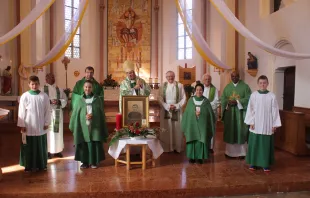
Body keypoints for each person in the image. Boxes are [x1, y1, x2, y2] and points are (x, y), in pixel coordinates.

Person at [244, 75, 281, 172]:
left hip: (267, 123)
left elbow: (275, 111)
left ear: (267, 84)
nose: (262, 85)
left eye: (264, 83)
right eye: (260, 83)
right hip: (256, 123)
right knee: (254, 143)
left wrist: (274, 124)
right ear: (258, 84)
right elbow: (250, 109)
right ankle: (253, 163)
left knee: (265, 144)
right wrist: (250, 121)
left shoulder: (272, 96)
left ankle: (265, 163)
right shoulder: (254, 95)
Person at [69, 80, 108, 169]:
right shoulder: (79, 100)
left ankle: (94, 161)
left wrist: (93, 116)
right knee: (83, 141)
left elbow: (100, 113)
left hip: (95, 125)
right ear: (83, 88)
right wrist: (84, 116)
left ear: (92, 88)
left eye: (89, 87)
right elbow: (76, 114)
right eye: (86, 87)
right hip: (83, 126)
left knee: (94, 141)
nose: (87, 89)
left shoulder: (97, 99)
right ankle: (85, 162)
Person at [18, 76, 51, 172]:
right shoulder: (25, 96)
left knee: (41, 145)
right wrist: (22, 124)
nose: (34, 86)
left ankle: (42, 165)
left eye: (36, 84)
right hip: (29, 126)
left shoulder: (44, 96)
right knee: (29, 146)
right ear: (29, 84)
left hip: (41, 125)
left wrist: (47, 122)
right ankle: (28, 165)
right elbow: (21, 111)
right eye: (32, 84)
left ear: (39, 84)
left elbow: (47, 111)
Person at [181, 83, 215, 164]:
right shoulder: (191, 100)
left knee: (201, 139)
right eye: (197, 90)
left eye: (200, 90)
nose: (199, 91)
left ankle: (200, 157)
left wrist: (202, 113)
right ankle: (192, 157)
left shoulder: (206, 101)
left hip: (202, 124)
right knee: (192, 138)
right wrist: (194, 114)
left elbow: (210, 114)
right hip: (192, 124)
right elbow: (187, 113)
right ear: (195, 91)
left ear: (203, 91)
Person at [221, 71, 252, 158]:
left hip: (240, 114)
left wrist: (238, 101)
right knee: (231, 131)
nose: (234, 78)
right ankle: (230, 152)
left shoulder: (245, 87)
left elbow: (249, 98)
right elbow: (223, 98)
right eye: (233, 76)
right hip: (230, 113)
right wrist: (228, 102)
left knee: (240, 131)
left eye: (236, 76)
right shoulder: (227, 87)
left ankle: (242, 153)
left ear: (239, 76)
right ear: (231, 77)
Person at [40, 73, 68, 159]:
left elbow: (65, 100)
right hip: (47, 114)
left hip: (57, 113)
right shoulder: (42, 89)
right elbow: (40, 100)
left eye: (53, 77)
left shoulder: (59, 89)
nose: (51, 78)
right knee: (48, 132)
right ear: (46, 79)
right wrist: (49, 101)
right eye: (49, 77)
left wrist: (59, 101)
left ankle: (58, 150)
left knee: (57, 133)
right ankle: (48, 151)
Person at [159, 71, 186, 153]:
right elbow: (159, 97)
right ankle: (167, 147)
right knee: (167, 128)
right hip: (166, 110)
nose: (170, 78)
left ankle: (177, 147)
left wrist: (177, 106)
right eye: (168, 76)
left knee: (176, 128)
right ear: (166, 77)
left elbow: (184, 98)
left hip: (176, 110)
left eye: (172, 76)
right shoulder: (162, 86)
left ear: (174, 76)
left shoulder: (180, 85)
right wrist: (166, 106)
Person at [201, 74, 219, 153]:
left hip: (211, 112)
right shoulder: (199, 88)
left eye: (209, 79)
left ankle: (210, 147)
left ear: (210, 80)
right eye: (206, 79)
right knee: (202, 128)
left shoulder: (214, 89)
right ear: (203, 80)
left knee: (211, 128)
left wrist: (208, 106)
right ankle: (202, 145)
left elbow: (217, 101)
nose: (207, 80)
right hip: (202, 112)